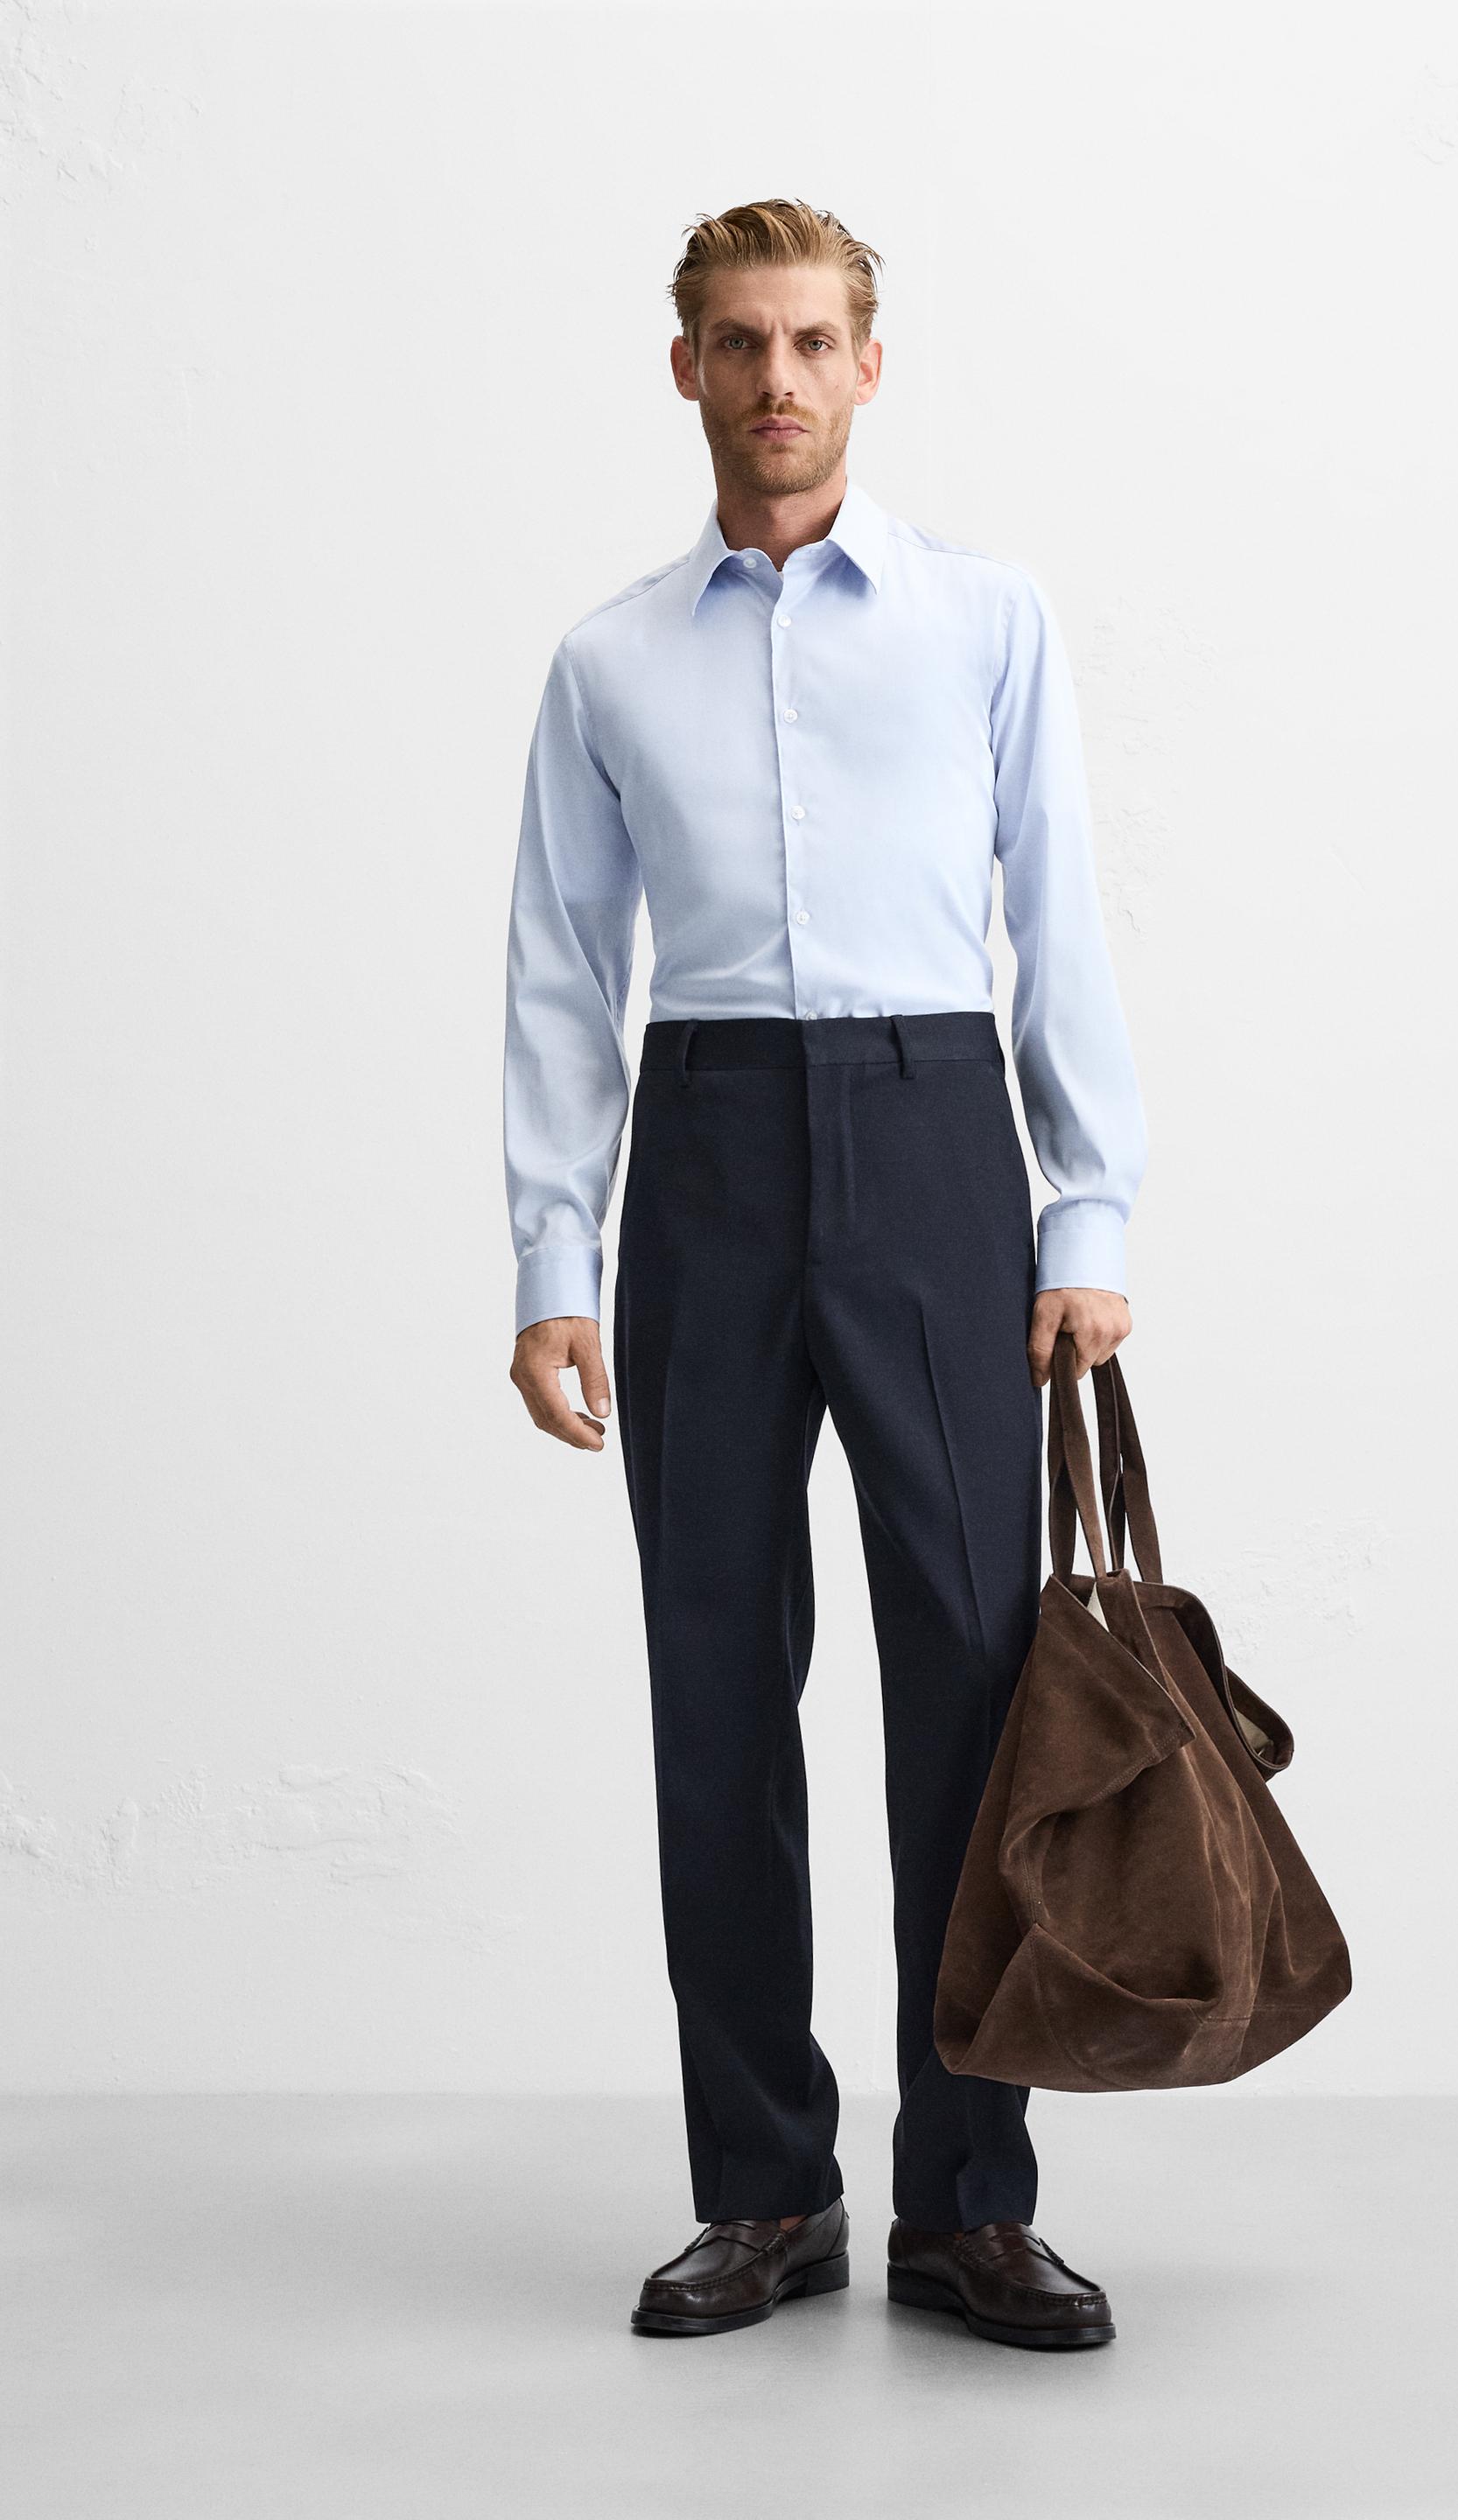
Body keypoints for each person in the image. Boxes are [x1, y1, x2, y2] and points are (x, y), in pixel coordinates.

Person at [503, 199, 1146, 2350]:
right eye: (738, 342)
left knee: (971, 1677)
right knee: (714, 1680)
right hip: (701, 1151)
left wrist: (1089, 1215)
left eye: (810, 342)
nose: (775, 379)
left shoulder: (984, 619)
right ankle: (765, 2191)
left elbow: (1060, 913)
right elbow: (562, 973)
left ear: (870, 365)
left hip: (936, 1137)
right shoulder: (608, 662)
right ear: (684, 366)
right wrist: (554, 1258)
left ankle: (968, 2200)